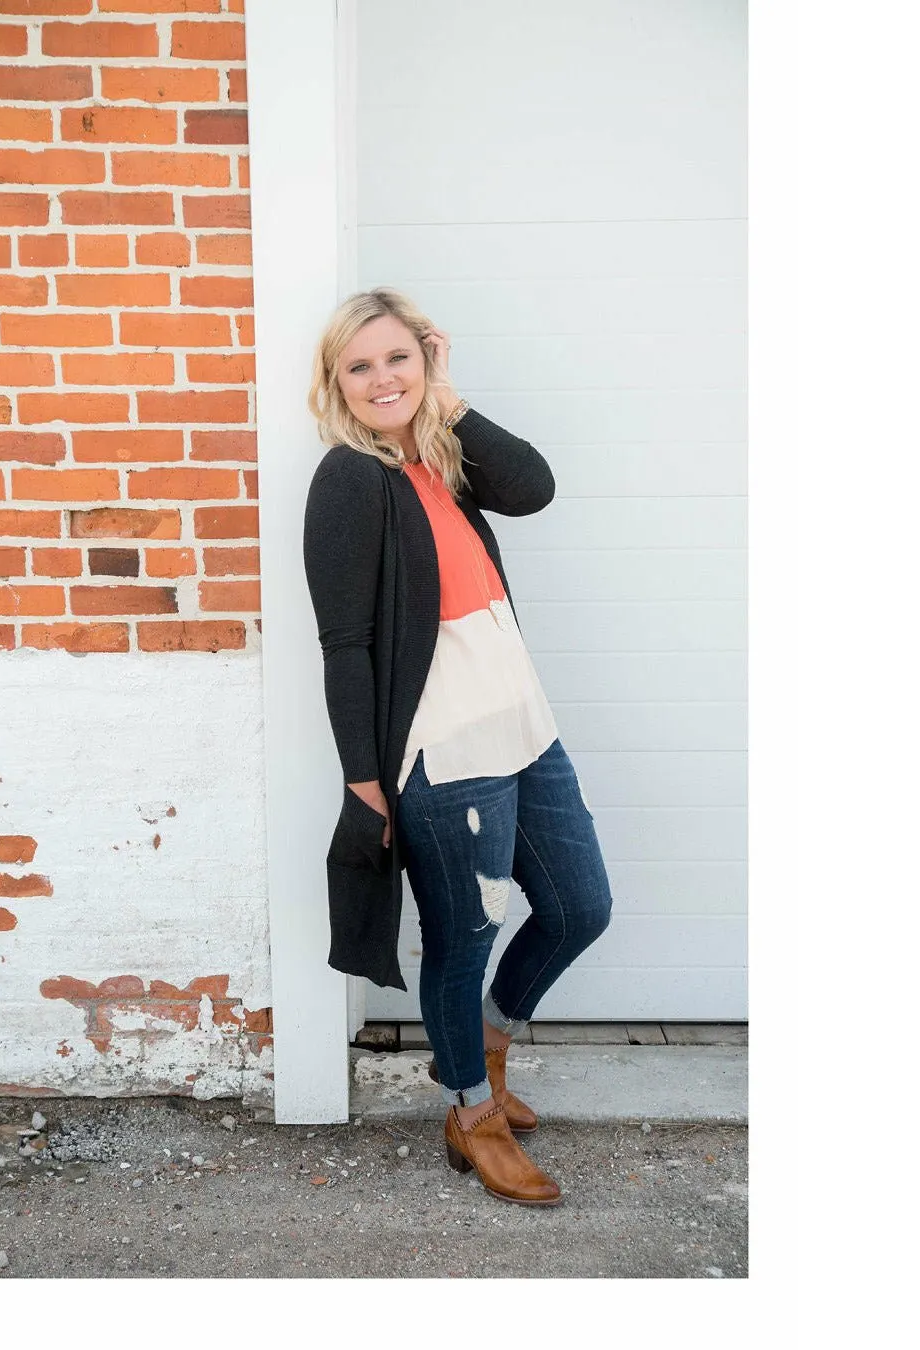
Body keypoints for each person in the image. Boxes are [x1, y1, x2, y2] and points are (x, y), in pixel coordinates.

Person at [302, 287, 614, 1207]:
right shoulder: (350, 480)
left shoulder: (443, 455)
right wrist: (364, 776)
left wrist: (451, 397)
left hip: (521, 724)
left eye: (399, 357)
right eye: (359, 366)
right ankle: (470, 1111)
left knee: (578, 906)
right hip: (441, 749)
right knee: (464, 934)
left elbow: (535, 488)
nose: (381, 378)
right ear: (337, 384)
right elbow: (344, 644)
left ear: (424, 361)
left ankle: (486, 1039)